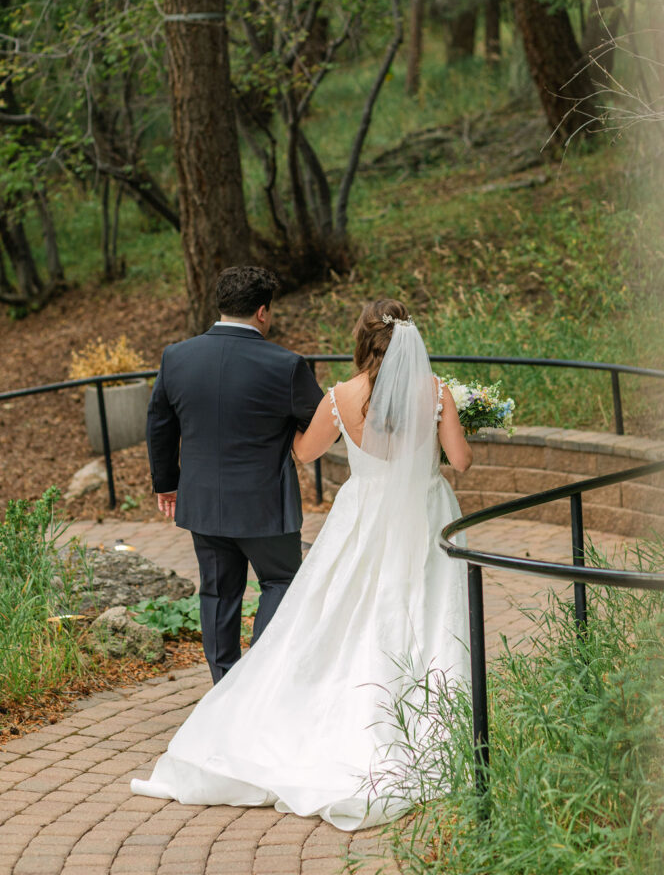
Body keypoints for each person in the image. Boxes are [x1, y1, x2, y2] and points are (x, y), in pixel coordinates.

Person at [132, 298, 473, 830]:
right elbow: (462, 460)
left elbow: (305, 453)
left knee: (343, 609)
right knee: (422, 606)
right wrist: (451, 420)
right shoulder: (435, 393)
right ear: (411, 342)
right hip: (424, 513)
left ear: (361, 340)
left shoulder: (339, 396)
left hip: (361, 516)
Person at [145, 265, 324, 684]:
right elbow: (320, 425)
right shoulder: (287, 365)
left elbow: (158, 424)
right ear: (263, 311)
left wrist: (167, 483)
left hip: (202, 499)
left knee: (218, 591)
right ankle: (258, 683)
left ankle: (224, 684)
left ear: (221, 305)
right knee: (280, 582)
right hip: (265, 503)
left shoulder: (177, 357)